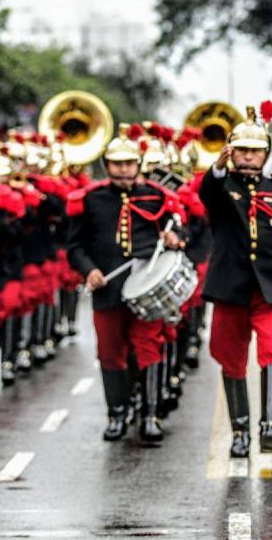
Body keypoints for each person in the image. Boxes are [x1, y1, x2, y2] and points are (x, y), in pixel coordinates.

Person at [199, 103, 272, 459]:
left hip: (271, 289)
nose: (248, 157)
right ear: (232, 153)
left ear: (266, 154)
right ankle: (240, 432)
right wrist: (218, 166)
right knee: (230, 359)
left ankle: (270, 426)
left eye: (255, 151)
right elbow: (207, 192)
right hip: (230, 288)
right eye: (242, 150)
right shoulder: (221, 186)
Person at [66, 124, 184, 443]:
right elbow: (74, 247)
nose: (123, 169)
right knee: (110, 353)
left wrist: (174, 238)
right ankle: (117, 414)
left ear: (138, 165)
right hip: (108, 289)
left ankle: (150, 415)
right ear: (107, 166)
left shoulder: (158, 197)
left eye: (129, 163)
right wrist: (88, 271)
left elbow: (180, 229)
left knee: (148, 347)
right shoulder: (90, 200)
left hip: (147, 288)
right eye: (117, 163)